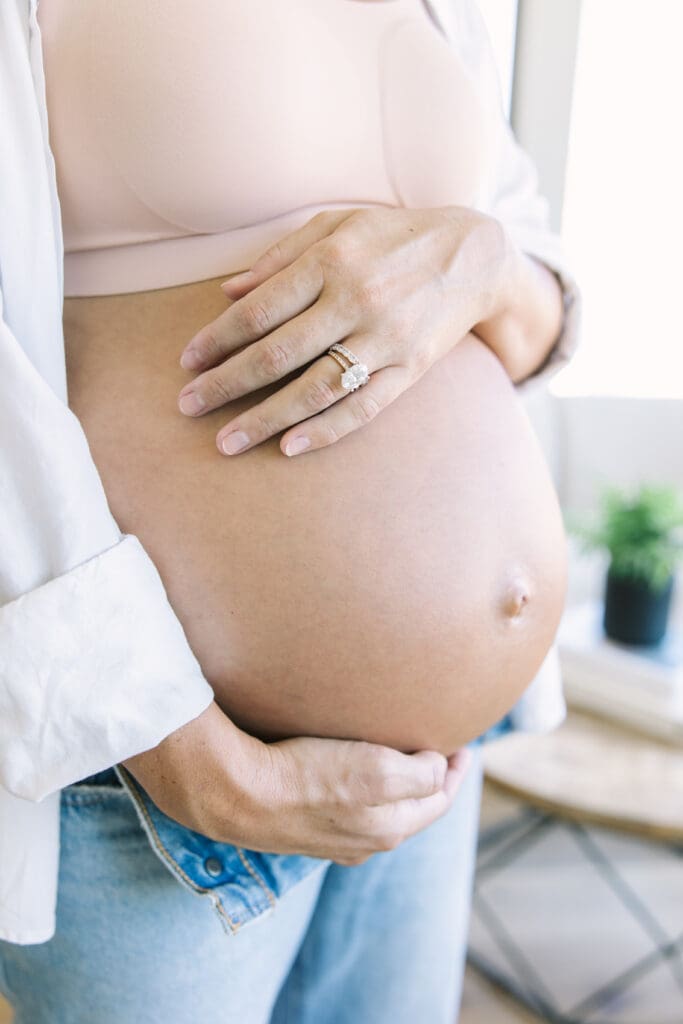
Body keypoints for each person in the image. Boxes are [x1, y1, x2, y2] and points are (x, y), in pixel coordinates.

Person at [0, 0, 581, 1020]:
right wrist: (193, 760)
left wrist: (487, 264)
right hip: (149, 769)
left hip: (434, 771)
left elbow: (523, 283)